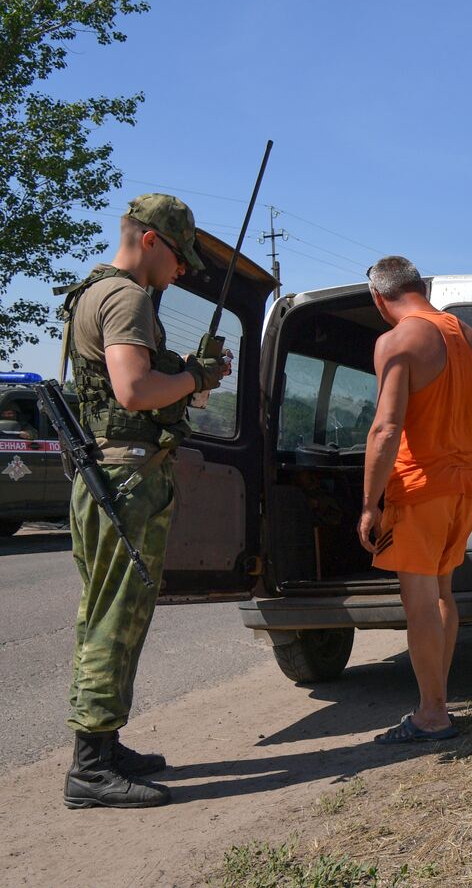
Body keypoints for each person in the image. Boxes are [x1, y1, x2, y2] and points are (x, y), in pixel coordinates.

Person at [58, 194, 231, 808]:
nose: (182, 270)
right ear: (151, 240)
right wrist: (198, 378)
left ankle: (103, 744)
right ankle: (90, 769)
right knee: (115, 617)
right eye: (180, 257)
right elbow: (134, 390)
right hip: (125, 479)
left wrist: (181, 370)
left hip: (113, 477)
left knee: (111, 614)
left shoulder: (94, 292)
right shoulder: (127, 296)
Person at [357, 256, 472, 743]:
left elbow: (386, 427)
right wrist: (470, 466)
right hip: (465, 485)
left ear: (380, 298)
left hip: (418, 489)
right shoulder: (470, 337)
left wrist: (369, 503)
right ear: (421, 286)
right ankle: (436, 703)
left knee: (418, 602)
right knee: (442, 594)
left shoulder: (397, 340)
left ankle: (432, 715)